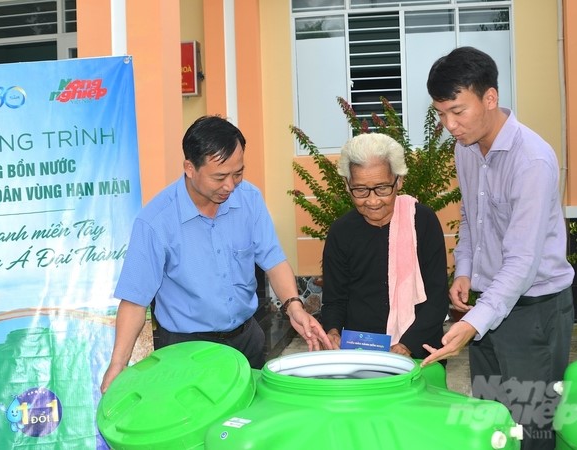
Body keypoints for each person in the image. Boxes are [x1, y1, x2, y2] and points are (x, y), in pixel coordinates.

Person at [100, 115, 331, 393]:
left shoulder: (249, 199)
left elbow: (272, 258)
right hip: (187, 351)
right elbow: (135, 301)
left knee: (247, 425)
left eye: (238, 173)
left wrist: (295, 306)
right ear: (189, 167)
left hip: (246, 340)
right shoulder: (155, 221)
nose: (230, 186)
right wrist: (117, 364)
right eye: (220, 177)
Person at [423, 46, 575, 450]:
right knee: (492, 422)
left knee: (531, 428)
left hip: (534, 311)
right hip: (488, 304)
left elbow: (523, 262)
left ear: (489, 98)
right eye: (441, 113)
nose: (449, 125)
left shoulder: (532, 161)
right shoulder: (466, 149)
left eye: (457, 110)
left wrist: (471, 324)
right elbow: (472, 218)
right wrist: (465, 271)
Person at [321, 132, 449, 361]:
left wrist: (405, 346)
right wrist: (331, 331)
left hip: (419, 350)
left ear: (398, 180)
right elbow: (335, 299)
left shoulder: (422, 222)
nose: (372, 201)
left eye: (382, 188)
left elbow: (437, 298)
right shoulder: (342, 231)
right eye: (360, 190)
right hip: (361, 352)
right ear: (347, 184)